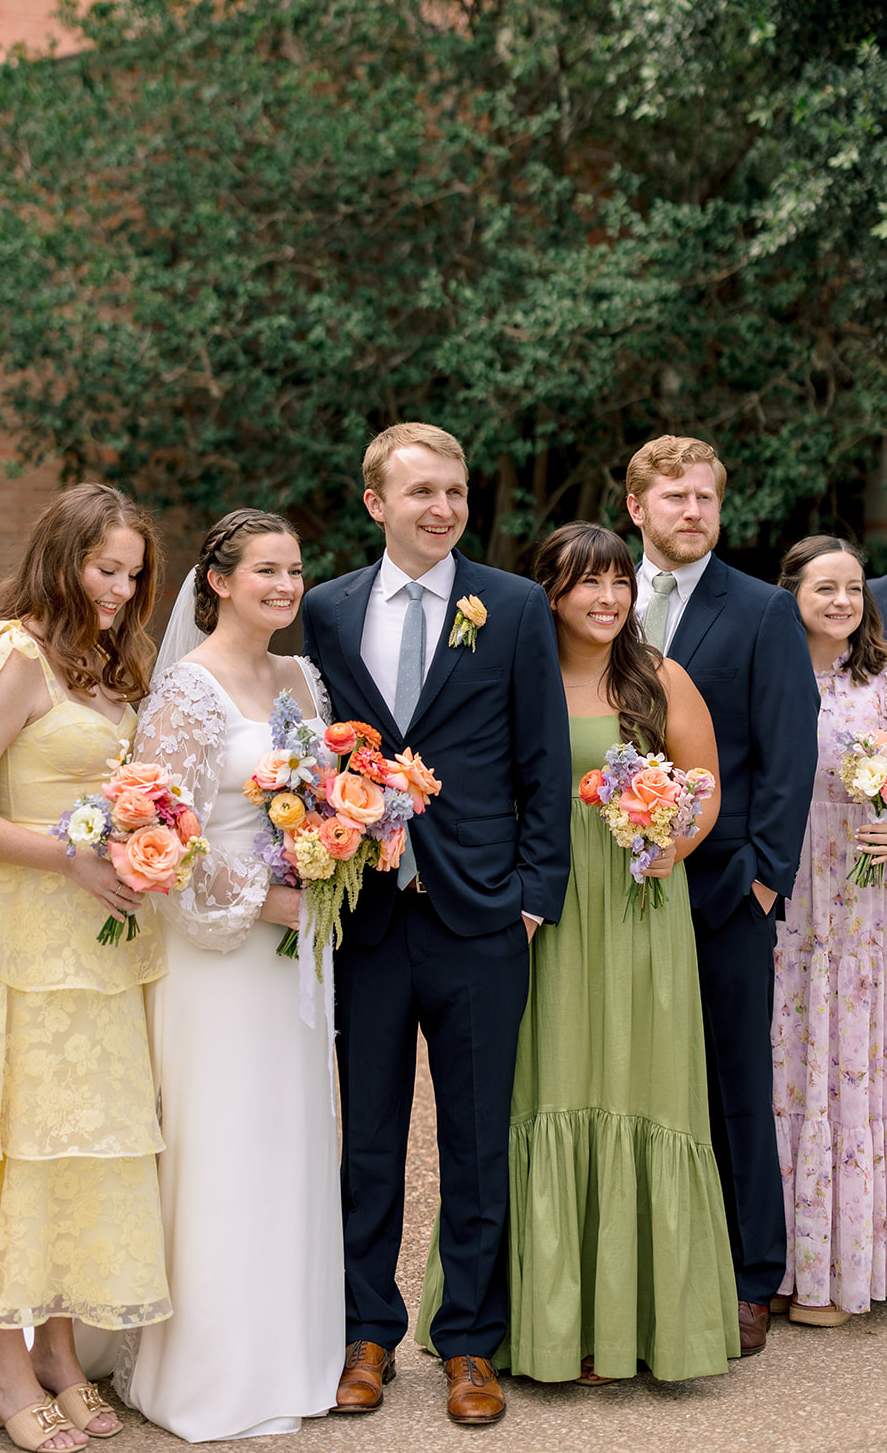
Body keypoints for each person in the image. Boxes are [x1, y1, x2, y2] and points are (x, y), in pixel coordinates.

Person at [301, 423, 570, 1427]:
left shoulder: (507, 605)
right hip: (365, 917)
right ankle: (365, 1330)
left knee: (474, 1139)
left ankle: (468, 1342)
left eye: (453, 491)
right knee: (364, 1138)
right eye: (419, 491)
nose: (441, 507)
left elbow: (541, 759)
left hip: (479, 917)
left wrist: (531, 895)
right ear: (374, 500)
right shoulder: (325, 609)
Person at [0, 484, 171, 1453]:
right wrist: (67, 853)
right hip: (19, 948)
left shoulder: (114, 661)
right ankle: (4, 1366)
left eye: (134, 574)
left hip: (105, 950)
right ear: (63, 557)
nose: (120, 590)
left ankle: (60, 1350)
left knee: (80, 1151)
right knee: (17, 1151)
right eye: (106, 570)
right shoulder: (12, 653)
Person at [446, 521, 738, 1381]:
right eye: (586, 583)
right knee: (548, 1086)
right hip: (549, 910)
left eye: (618, 581)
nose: (608, 597)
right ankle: (548, 1326)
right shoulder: (511, 674)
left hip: (642, 908)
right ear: (548, 595)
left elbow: (705, 785)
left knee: (642, 1086)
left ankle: (645, 1325)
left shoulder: (660, 678)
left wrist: (670, 843)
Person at [117, 509, 344, 1443]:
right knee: (219, 1139)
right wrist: (263, 896)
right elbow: (160, 833)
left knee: (290, 1137)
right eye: (264, 571)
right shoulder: (186, 690)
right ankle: (207, 1373)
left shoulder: (302, 678)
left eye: (293, 570)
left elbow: (330, 792)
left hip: (300, 944)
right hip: (217, 951)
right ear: (216, 582)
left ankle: (290, 1355)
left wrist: (338, 856)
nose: (285, 587)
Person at [625, 435, 819, 1358]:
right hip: (606, 890)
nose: (693, 512)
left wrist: (763, 883)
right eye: (674, 498)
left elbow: (788, 756)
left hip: (722, 889)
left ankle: (749, 1277)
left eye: (704, 497)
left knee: (736, 1080)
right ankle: (642, 1259)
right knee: (630, 1072)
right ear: (637, 509)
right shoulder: (591, 601)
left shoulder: (764, 610)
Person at [773, 537, 887, 1324]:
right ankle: (785, 1266)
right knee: (790, 1061)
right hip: (790, 911)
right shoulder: (770, 680)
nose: (842, 601)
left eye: (852, 588)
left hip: (865, 913)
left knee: (859, 1062)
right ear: (793, 595)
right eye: (825, 588)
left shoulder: (880, 683)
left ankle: (853, 1266)